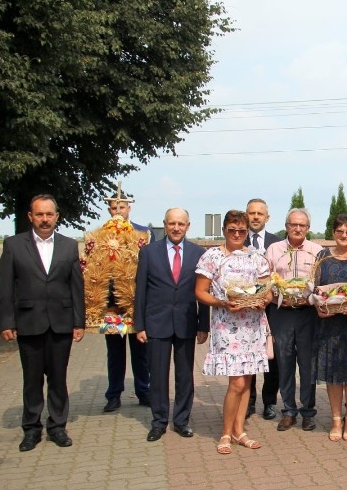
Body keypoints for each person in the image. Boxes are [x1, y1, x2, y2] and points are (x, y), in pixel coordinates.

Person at [0, 194, 85, 451]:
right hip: (29, 322)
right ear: (30, 216)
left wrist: (78, 322)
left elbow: (75, 287)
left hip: (61, 322)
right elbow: (5, 287)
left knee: (58, 378)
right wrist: (6, 322)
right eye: (39, 214)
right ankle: (31, 429)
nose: (44, 219)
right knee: (32, 379)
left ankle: (57, 426)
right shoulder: (14, 245)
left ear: (57, 216)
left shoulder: (69, 246)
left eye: (49, 214)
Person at [195, 210, 272, 454]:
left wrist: (263, 301)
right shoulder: (212, 256)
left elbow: (267, 290)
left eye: (241, 230)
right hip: (226, 327)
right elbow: (200, 292)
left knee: (247, 379)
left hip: (252, 326)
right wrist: (221, 303)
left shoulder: (257, 257)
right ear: (224, 231)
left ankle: (240, 430)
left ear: (247, 232)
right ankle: (226, 432)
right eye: (232, 230)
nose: (237, 234)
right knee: (236, 382)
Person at [135, 208, 209, 442]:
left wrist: (203, 324)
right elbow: (141, 292)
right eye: (172, 223)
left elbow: (204, 291)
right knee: (157, 376)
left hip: (187, 322)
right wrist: (140, 325)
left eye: (181, 224)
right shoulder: (148, 253)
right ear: (165, 225)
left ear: (188, 226)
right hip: (157, 323)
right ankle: (158, 422)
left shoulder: (199, 253)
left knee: (185, 375)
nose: (176, 228)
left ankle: (181, 420)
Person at [265, 208, 323, 432]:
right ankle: (289, 411)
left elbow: (320, 284)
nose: (297, 229)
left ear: (308, 228)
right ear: (286, 226)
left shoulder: (317, 251)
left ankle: (308, 411)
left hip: (308, 314)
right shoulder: (274, 249)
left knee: (308, 365)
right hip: (281, 314)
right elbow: (266, 280)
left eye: (302, 225)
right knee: (284, 363)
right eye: (293, 224)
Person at [313, 213, 347, 442]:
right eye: (339, 231)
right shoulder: (323, 256)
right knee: (334, 374)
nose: (344, 236)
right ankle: (336, 419)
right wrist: (318, 305)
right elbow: (314, 288)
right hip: (329, 323)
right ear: (333, 232)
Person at [102, 189, 152, 412]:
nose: (118, 211)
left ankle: (144, 390)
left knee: (141, 351)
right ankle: (114, 394)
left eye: (122, 207)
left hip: (137, 301)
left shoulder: (143, 234)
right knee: (115, 352)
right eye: (114, 208)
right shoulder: (101, 235)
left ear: (129, 208)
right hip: (113, 304)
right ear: (109, 209)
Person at [243, 198, 280, 420]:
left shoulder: (277, 244)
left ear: (267, 217)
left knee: (272, 357)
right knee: (247, 356)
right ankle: (248, 401)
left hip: (272, 309)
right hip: (245, 310)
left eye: (260, 213)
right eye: (251, 213)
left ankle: (269, 402)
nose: (255, 217)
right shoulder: (237, 240)